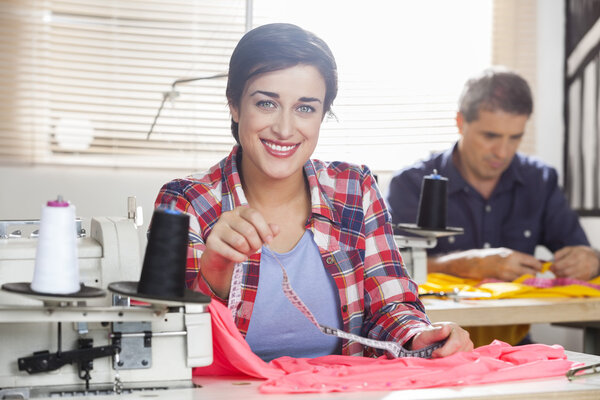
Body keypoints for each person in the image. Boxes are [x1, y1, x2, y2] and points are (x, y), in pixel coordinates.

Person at [153, 23, 472, 361]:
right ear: (234, 104)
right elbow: (167, 340)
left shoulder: (355, 189)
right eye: (266, 103)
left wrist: (419, 335)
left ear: (322, 114)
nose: (285, 129)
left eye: (305, 108)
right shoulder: (185, 202)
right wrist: (213, 278)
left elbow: (391, 307)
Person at [386, 67, 600, 346]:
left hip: (512, 344)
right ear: (460, 122)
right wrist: (466, 264)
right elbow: (391, 273)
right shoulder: (410, 184)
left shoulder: (540, 180)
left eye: (515, 138)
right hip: (433, 345)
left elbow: (580, 255)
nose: (502, 152)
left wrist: (590, 260)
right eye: (490, 136)